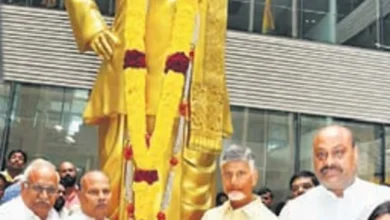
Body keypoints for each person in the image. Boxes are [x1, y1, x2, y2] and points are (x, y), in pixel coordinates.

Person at [279, 125, 390, 220]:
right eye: (321, 154)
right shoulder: (294, 211)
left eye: (338, 152)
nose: (329, 162)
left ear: (355, 153)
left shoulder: (383, 198)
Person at [202, 144, 278, 220]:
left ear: (254, 178)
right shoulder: (211, 216)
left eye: (241, 174)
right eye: (228, 174)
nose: (233, 181)